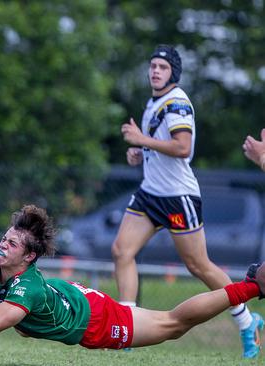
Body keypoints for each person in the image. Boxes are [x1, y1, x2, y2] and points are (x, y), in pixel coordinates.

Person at [0, 204, 265, 353]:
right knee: (175, 324)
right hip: (75, 298)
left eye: (12, 243)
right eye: (4, 238)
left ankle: (254, 285)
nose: (3, 244)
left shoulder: (29, 284)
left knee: (175, 324)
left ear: (29, 256)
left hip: (96, 321)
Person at [112, 44, 262, 358]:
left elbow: (182, 148)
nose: (155, 71)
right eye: (152, 65)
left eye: (162, 67)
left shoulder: (177, 102)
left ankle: (248, 321)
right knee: (122, 251)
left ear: (174, 73)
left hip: (178, 197)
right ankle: (126, 327)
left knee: (198, 265)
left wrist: (141, 139)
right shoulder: (154, 102)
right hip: (150, 193)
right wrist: (141, 153)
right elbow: (161, 147)